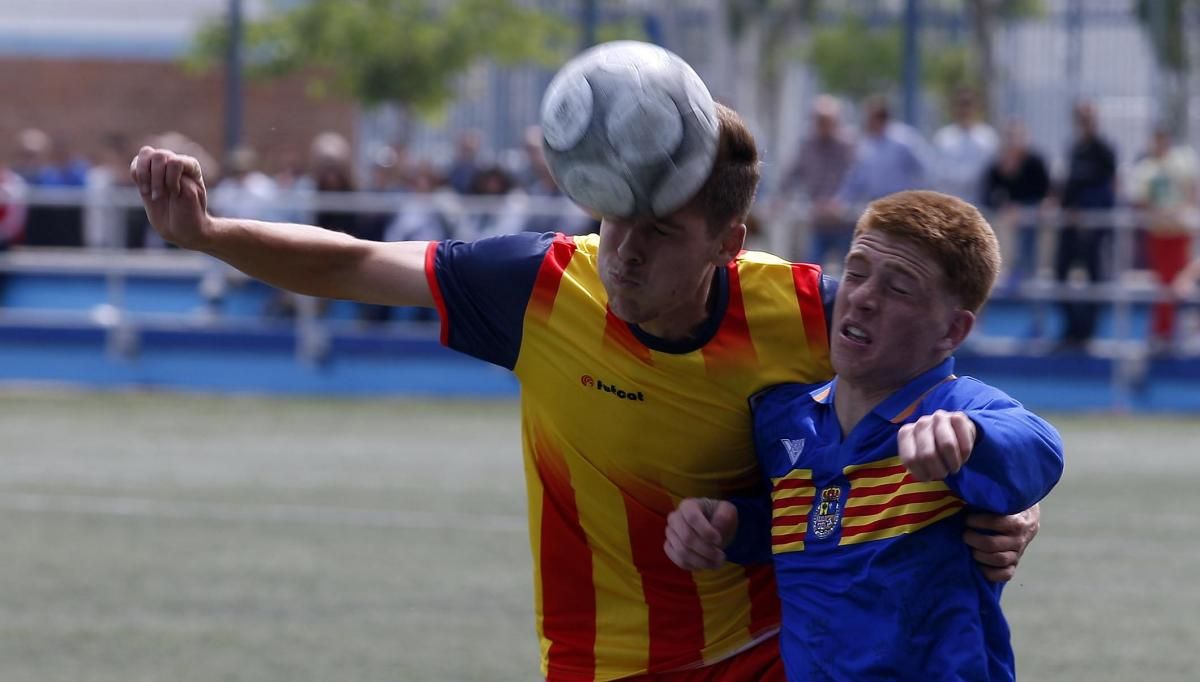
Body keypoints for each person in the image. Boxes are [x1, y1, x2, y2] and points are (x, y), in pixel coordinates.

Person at [130, 103, 1041, 681]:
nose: (625, 250)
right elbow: (360, 261)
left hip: (771, 651)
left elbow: (937, 382)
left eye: (661, 231)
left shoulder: (808, 308)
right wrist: (211, 234)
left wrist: (994, 502)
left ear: (729, 240)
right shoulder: (537, 287)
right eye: (612, 217)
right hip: (604, 662)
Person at [664, 191, 1064, 681]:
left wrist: (970, 438)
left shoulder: (954, 409)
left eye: (900, 288)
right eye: (855, 272)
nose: (863, 297)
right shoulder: (784, 419)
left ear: (953, 331)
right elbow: (807, 527)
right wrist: (726, 527)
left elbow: (1039, 448)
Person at [1127, 127, 1198, 353]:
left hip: (1181, 231)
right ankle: (1164, 330)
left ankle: (1183, 330)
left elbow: (1193, 191)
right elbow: (1141, 201)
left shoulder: (1183, 163)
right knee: (1165, 283)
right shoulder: (1145, 169)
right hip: (1159, 233)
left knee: (1184, 282)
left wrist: (1183, 211)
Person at [1055, 101, 1118, 352]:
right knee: (1060, 274)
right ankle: (1071, 328)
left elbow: (1109, 188)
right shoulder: (1073, 149)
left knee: (1094, 278)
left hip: (1092, 227)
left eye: (1088, 117)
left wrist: (1088, 214)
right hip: (1069, 225)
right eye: (1081, 117)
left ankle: (1087, 332)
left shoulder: (1104, 150)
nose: (1085, 122)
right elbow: (1068, 184)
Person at [775, 95, 856, 268]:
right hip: (818, 221)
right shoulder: (807, 145)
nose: (821, 125)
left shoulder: (846, 146)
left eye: (826, 121)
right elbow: (793, 172)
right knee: (811, 269)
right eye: (818, 120)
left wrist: (839, 201)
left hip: (843, 222)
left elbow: (855, 177)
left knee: (850, 269)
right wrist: (780, 196)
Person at [836, 95, 934, 220]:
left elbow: (925, 169)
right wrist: (841, 200)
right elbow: (857, 179)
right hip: (875, 205)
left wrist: (919, 199)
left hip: (902, 205)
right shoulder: (866, 144)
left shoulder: (904, 139)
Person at [982, 120, 1051, 288]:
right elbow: (989, 193)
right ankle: (1013, 273)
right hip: (1008, 216)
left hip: (1031, 212)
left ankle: (1026, 274)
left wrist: (1033, 207)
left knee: (1028, 245)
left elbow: (1046, 191)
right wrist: (1004, 206)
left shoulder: (1035, 160)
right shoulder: (998, 163)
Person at [933, 89, 999, 205]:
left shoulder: (988, 137)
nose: (965, 110)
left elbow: (992, 173)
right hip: (950, 206)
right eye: (961, 105)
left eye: (968, 104)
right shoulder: (943, 138)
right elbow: (937, 174)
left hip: (981, 206)